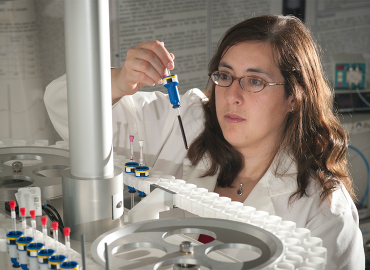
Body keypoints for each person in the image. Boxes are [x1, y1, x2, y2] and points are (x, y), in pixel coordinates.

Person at [45, 15, 365, 269]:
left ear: (294, 97)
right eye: (225, 76)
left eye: (254, 81)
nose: (232, 96)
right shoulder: (188, 122)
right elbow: (66, 111)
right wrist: (119, 80)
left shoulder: (324, 209)